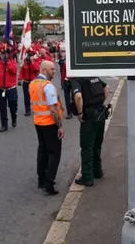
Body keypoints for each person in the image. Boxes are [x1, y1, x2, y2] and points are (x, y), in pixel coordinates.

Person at [29, 60, 64, 195]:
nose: (54, 72)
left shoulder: (33, 83)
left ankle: (41, 179)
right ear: (43, 70)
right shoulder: (47, 86)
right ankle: (49, 183)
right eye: (52, 69)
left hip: (38, 121)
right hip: (50, 123)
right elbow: (53, 109)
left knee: (42, 151)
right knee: (54, 153)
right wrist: (59, 126)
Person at [71, 77, 110, 187]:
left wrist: (80, 113)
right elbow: (107, 87)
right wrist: (100, 103)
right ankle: (98, 171)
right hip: (100, 114)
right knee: (97, 145)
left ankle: (87, 177)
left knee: (87, 147)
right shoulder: (94, 77)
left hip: (89, 117)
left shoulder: (77, 80)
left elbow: (78, 96)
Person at [0, 48, 18, 132]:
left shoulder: (12, 63)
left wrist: (7, 64)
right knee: (2, 108)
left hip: (11, 89)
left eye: (6, 54)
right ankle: (4, 125)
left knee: (13, 106)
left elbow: (14, 71)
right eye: (2, 54)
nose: (4, 55)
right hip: (0, 89)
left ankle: (14, 118)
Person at [19, 51, 40, 117]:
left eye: (30, 56)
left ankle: (36, 108)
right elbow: (21, 71)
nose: (29, 57)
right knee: (26, 97)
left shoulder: (35, 63)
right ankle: (27, 110)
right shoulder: (25, 63)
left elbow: (37, 69)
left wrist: (32, 62)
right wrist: (19, 79)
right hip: (26, 82)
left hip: (33, 82)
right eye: (28, 56)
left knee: (34, 96)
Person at [57, 49, 74, 119]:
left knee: (74, 96)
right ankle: (69, 113)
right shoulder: (62, 60)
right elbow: (60, 63)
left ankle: (75, 110)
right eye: (63, 52)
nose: (64, 53)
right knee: (67, 97)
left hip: (73, 80)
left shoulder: (73, 59)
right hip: (65, 80)